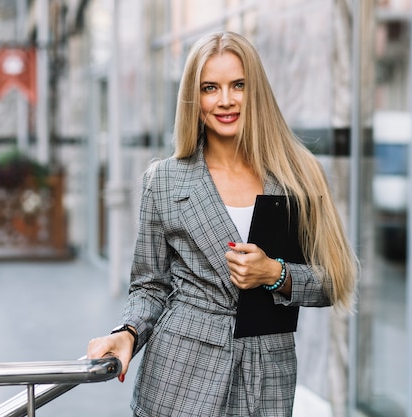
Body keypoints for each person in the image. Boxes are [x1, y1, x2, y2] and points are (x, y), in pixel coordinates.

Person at [87, 31, 358, 416]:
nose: (226, 100)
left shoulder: (299, 174)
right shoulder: (164, 180)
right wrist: (127, 332)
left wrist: (274, 274)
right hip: (180, 372)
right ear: (194, 99)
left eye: (238, 85)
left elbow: (333, 280)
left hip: (267, 374)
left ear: (256, 91)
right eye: (210, 88)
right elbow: (149, 285)